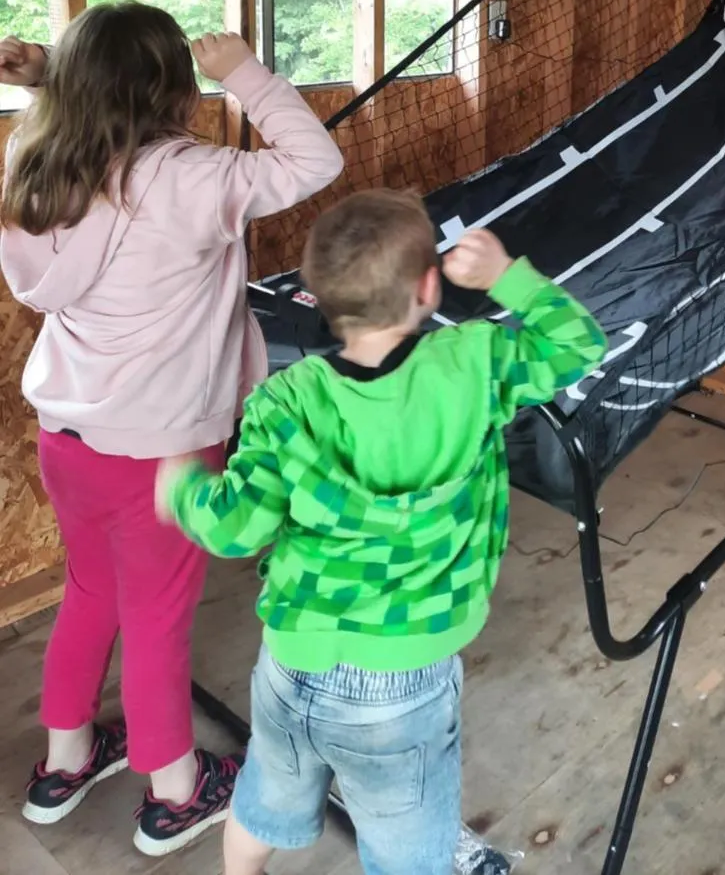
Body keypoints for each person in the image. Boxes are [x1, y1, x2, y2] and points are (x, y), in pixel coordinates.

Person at [156, 189, 607, 875]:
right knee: (408, 854)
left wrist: (184, 491)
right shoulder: (474, 362)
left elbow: (237, 530)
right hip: (403, 682)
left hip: (291, 659)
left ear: (318, 295)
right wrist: (505, 275)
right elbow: (579, 344)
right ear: (428, 287)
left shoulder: (286, 397)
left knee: (265, 801)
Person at [0, 7, 343, 857]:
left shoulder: (35, 164)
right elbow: (316, 160)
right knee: (157, 619)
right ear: (177, 90)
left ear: (73, 86)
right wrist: (248, 74)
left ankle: (64, 766)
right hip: (164, 450)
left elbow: (97, 127)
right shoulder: (196, 174)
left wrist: (56, 83)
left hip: (68, 438)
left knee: (91, 593)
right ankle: (175, 792)